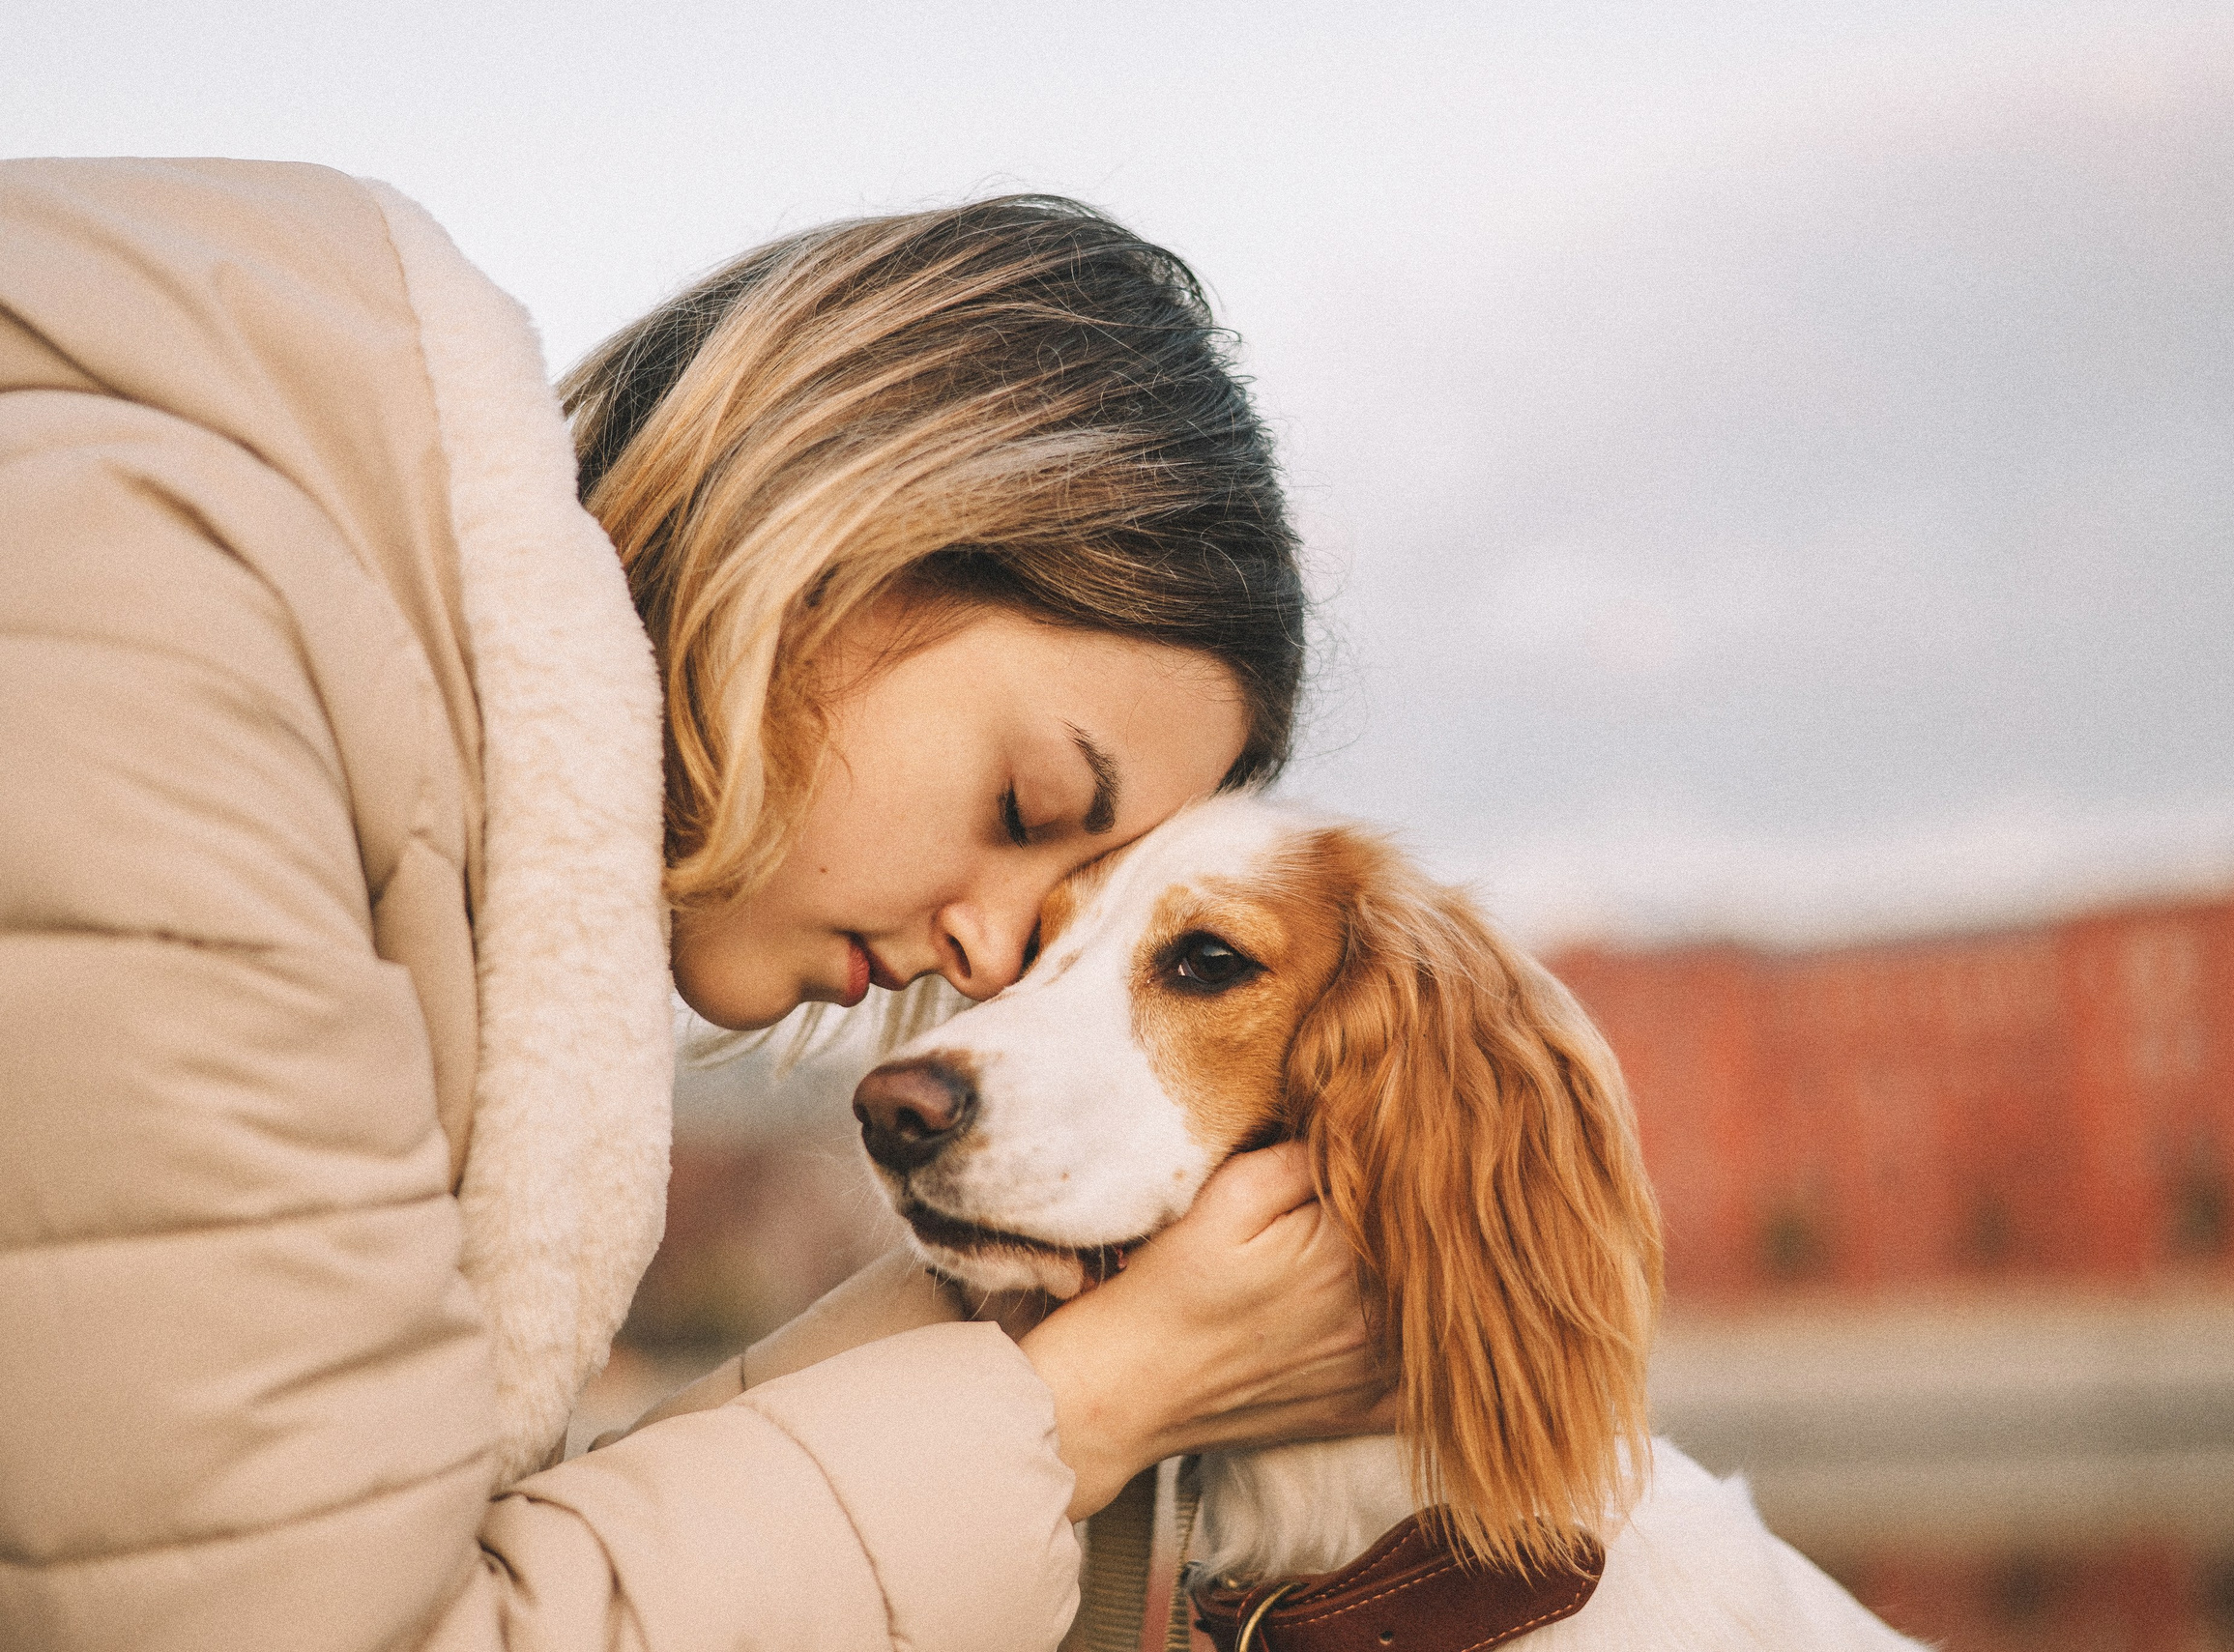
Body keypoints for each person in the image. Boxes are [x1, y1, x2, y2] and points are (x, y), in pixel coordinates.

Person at [0, 158, 1391, 1652]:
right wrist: (1091, 1409)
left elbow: (433, 1565)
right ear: (850, 521)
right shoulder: (154, 635)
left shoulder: (330, 696)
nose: (992, 954)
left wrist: (1038, 1345)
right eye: (1024, 812)